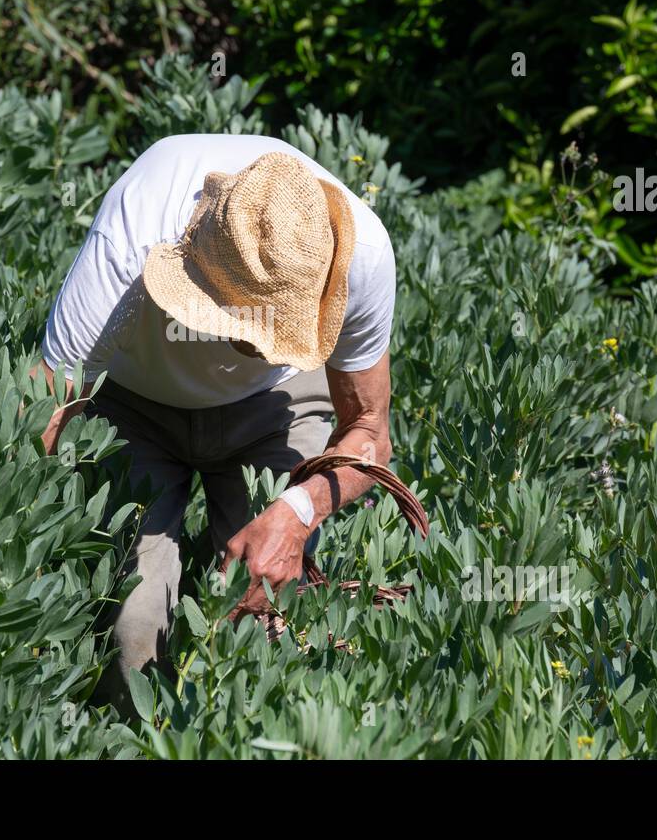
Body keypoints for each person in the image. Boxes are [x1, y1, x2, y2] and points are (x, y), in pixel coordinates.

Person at [31, 134, 396, 713]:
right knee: (134, 636)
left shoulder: (362, 255)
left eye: (276, 327)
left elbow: (370, 434)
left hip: (277, 406)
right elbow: (48, 405)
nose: (246, 344)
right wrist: (32, 545)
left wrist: (298, 515)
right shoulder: (136, 227)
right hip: (135, 403)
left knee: (275, 620)